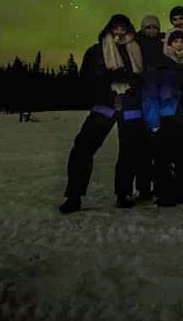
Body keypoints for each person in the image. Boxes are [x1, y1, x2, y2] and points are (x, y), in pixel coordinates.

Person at [59, 14, 145, 214]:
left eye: (124, 28)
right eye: (116, 28)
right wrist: (109, 86)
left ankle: (123, 194)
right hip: (104, 107)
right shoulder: (96, 51)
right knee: (82, 149)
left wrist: (130, 86)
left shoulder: (137, 51)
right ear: (109, 29)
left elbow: (144, 78)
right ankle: (74, 196)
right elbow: (86, 79)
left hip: (131, 108)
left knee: (129, 152)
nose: (120, 32)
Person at [142, 28, 183, 206]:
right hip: (167, 117)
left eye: (182, 42)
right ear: (169, 44)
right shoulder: (159, 65)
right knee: (163, 157)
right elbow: (151, 95)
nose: (179, 45)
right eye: (175, 41)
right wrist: (153, 121)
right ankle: (165, 193)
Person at [134, 15, 165, 201]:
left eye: (155, 27)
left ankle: (160, 186)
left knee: (160, 147)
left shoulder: (163, 45)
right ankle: (144, 188)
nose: (152, 30)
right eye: (148, 27)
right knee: (142, 148)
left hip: (159, 101)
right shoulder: (135, 45)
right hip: (140, 101)